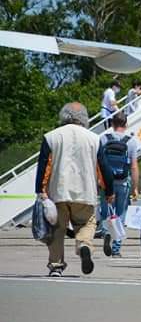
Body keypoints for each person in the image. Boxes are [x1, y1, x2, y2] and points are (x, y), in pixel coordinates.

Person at [35, 103, 109, 276]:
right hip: (85, 192)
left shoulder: (51, 137)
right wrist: (109, 191)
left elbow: (44, 167)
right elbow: (103, 168)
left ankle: (56, 266)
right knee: (86, 224)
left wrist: (41, 190)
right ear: (84, 117)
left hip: (57, 192)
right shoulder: (94, 138)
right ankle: (84, 246)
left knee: (57, 229)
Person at [98, 111, 140, 258]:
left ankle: (106, 233)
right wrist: (135, 187)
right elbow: (134, 166)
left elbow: (98, 163)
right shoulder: (132, 141)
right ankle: (116, 249)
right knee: (120, 213)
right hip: (123, 182)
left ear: (112, 124)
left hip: (106, 182)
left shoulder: (103, 139)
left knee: (105, 212)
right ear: (126, 124)